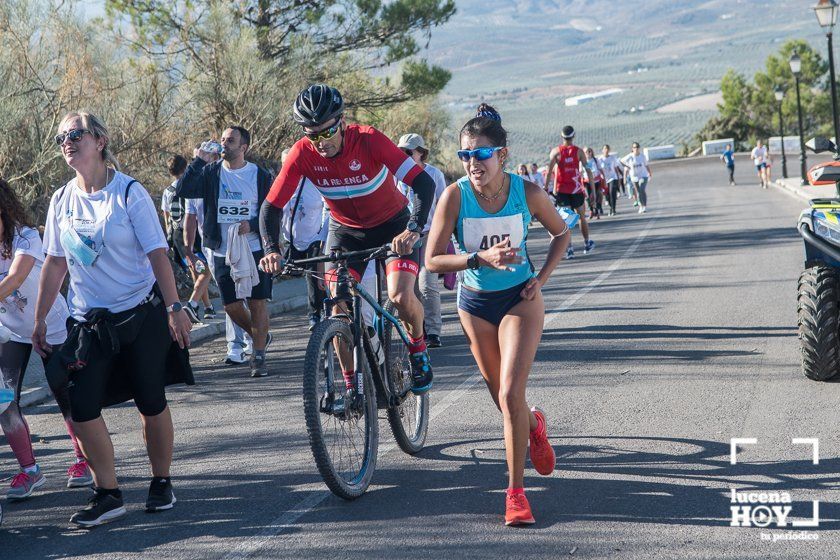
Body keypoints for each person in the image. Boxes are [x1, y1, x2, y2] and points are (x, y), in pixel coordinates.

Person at [37, 111, 193, 527]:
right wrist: (39, 321)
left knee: (150, 399)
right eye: (61, 138)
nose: (67, 142)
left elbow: (158, 254)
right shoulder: (60, 201)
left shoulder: (129, 193)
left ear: (100, 141)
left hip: (140, 315)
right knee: (81, 407)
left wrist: (176, 307)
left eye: (75, 134)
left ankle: (161, 482)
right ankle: (107, 492)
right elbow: (54, 265)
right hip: (90, 323)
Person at [425, 105, 570, 526]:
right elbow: (433, 260)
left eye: (481, 155)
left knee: (509, 396)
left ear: (501, 156)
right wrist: (477, 258)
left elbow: (561, 233)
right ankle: (535, 427)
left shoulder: (528, 193)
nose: (473, 163)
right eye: (465, 155)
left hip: (518, 300)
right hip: (474, 307)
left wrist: (540, 279)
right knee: (505, 403)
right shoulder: (455, 196)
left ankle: (516, 495)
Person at [259, 84, 438, 394]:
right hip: (345, 233)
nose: (319, 142)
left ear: (340, 123)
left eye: (326, 133)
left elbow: (422, 183)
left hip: (393, 226)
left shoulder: (369, 140)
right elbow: (271, 207)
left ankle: (418, 348)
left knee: (399, 295)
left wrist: (413, 228)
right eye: (311, 135)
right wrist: (272, 250)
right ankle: (352, 387)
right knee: (338, 308)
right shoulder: (303, 153)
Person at [0, 179, 91, 500]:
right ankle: (29, 470)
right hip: (9, 334)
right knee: (4, 401)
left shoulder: (27, 237)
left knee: (66, 396)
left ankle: (85, 460)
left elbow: (16, 277)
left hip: (49, 326)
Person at [177, 126, 274, 378]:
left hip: (254, 248)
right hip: (222, 249)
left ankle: (259, 356)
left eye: (230, 141)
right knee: (231, 306)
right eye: (222, 140)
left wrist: (251, 225)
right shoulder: (211, 172)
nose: (224, 144)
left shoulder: (259, 175)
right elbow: (184, 190)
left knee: (256, 302)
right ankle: (259, 335)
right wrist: (199, 160)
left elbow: (271, 211)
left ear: (243, 147)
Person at [396, 133, 448, 348]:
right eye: (400, 152)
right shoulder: (395, 176)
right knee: (409, 289)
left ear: (421, 153)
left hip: (428, 235)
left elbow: (445, 206)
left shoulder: (434, 174)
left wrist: (445, 236)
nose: (404, 156)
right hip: (403, 238)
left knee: (427, 284)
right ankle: (416, 331)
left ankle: (433, 331)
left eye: (409, 152)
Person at [280, 148, 329, 331]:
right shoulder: (281, 182)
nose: (288, 166)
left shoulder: (315, 182)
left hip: (314, 237)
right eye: (284, 163)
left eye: (291, 162)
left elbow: (327, 207)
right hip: (290, 239)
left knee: (313, 276)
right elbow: (274, 209)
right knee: (279, 272)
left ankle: (315, 313)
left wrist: (322, 235)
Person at [162, 155, 215, 322]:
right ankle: (193, 305)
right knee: (205, 272)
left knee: (196, 271)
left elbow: (167, 216)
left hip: (177, 236)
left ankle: (207, 307)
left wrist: (169, 237)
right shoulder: (191, 187)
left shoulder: (167, 191)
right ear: (186, 169)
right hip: (193, 234)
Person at [545, 125, 593, 259]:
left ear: (562, 136)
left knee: (566, 220)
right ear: (573, 136)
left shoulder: (556, 152)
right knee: (581, 217)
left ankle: (570, 248)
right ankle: (586, 243)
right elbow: (588, 169)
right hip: (576, 189)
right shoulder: (579, 152)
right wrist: (593, 190)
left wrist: (545, 188)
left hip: (562, 190)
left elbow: (549, 172)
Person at [621, 142, 652, 214]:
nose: (636, 148)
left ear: (639, 148)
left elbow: (646, 165)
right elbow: (621, 161)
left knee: (642, 189)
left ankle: (644, 206)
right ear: (632, 148)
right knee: (638, 192)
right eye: (634, 147)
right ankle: (641, 206)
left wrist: (650, 173)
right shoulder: (630, 156)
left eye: (637, 147)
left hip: (643, 175)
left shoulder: (642, 156)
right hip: (634, 177)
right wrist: (627, 166)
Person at [598, 145, 624, 215]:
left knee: (612, 193)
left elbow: (616, 169)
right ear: (602, 150)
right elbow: (599, 170)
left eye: (607, 149)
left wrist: (618, 179)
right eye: (605, 149)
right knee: (607, 195)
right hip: (604, 179)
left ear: (609, 150)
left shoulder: (612, 158)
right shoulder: (600, 160)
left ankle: (613, 209)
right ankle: (611, 207)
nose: (606, 150)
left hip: (613, 177)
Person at [582, 146, 605, 219]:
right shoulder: (582, 161)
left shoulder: (595, 160)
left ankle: (597, 210)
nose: (588, 153)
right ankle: (591, 211)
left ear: (592, 152)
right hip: (587, 181)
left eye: (589, 151)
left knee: (598, 195)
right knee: (588, 197)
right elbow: (580, 172)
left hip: (596, 181)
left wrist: (603, 177)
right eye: (586, 152)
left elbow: (600, 169)